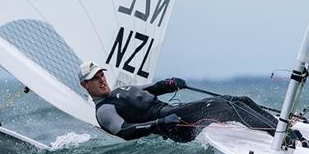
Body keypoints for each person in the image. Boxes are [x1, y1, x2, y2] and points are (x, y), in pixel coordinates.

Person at [79, 61, 279, 142]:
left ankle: (280, 129)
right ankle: (283, 139)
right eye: (94, 78)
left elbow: (154, 88)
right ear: (85, 85)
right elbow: (125, 132)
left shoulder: (121, 91)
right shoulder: (104, 109)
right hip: (171, 123)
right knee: (226, 108)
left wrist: (170, 83)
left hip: (172, 111)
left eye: (101, 74)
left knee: (238, 100)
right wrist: (157, 124)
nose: (101, 79)